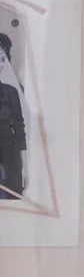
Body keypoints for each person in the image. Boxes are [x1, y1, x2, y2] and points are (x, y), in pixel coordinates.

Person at [0, 30, 28, 199]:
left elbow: (20, 129)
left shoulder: (12, 92)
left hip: (10, 157)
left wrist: (25, 166)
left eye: (2, 59)